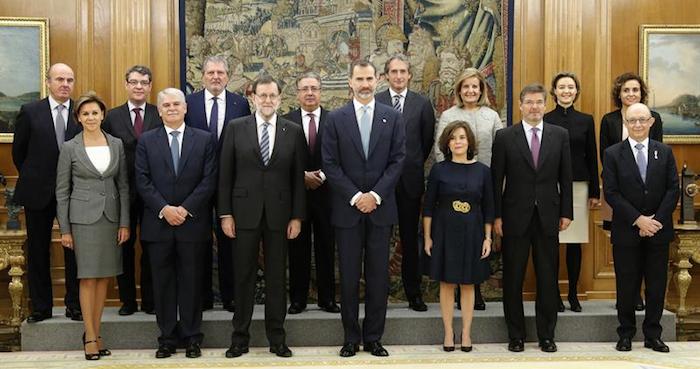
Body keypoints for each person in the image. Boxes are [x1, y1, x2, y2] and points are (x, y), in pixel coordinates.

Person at [218, 75, 306, 359]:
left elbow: (297, 179)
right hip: (243, 214)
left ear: (280, 98)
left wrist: (297, 217)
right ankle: (239, 338)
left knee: (277, 278)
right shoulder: (235, 128)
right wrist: (225, 213)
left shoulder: (292, 131)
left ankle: (277, 339)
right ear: (252, 98)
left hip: (280, 216)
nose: (267, 101)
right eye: (262, 96)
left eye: (272, 96)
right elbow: (225, 175)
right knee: (242, 275)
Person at [322, 60, 406, 358]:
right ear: (350, 82)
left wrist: (376, 196)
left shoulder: (392, 117)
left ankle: (373, 338)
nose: (365, 84)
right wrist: (357, 196)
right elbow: (330, 164)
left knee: (378, 276)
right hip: (348, 211)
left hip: (380, 211)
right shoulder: (335, 118)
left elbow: (398, 161)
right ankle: (350, 338)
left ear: (378, 79)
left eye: (370, 78)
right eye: (360, 79)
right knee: (347, 277)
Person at [135, 88, 217, 359]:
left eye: (176, 104)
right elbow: (142, 181)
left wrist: (184, 209)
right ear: (158, 111)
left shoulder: (204, 140)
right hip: (158, 225)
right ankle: (167, 338)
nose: (171, 108)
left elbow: (209, 180)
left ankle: (193, 337)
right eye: (166, 105)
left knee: (193, 283)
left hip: (192, 224)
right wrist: (164, 209)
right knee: (163, 283)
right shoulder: (146, 141)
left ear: (185, 108)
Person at [491, 84, 573, 353]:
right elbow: (496, 181)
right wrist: (496, 217)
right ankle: (516, 335)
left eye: (539, 102)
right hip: (514, 217)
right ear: (520, 105)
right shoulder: (505, 137)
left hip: (549, 216)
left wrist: (566, 212)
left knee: (548, 278)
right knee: (513, 278)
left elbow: (566, 178)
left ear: (546, 105)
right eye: (529, 102)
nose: (535, 107)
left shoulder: (560, 135)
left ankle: (546, 335)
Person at [55, 93, 130, 360]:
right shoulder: (70, 147)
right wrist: (64, 230)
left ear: (103, 115)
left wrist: (124, 222)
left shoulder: (116, 144)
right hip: (83, 221)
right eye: (85, 113)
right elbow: (62, 191)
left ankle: (97, 334)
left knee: (104, 278)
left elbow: (123, 186)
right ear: (78, 117)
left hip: (110, 220)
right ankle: (88, 337)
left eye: (95, 113)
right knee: (87, 278)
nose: (90, 117)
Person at [602, 103, 679, 353]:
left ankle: (653, 335)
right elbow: (612, 193)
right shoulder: (613, 153)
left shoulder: (664, 152)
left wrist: (655, 221)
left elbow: (672, 189)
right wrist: (638, 219)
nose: (637, 125)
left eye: (642, 120)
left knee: (656, 285)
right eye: (632, 120)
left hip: (658, 230)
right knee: (627, 285)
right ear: (625, 122)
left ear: (651, 122)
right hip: (627, 230)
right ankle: (625, 334)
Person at [12, 63, 83, 323]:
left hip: (75, 194)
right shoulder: (30, 112)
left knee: (74, 252)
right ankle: (41, 308)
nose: (65, 84)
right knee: (38, 251)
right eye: (60, 79)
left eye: (70, 79)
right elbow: (19, 153)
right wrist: (38, 176)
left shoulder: (81, 112)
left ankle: (75, 305)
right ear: (48, 81)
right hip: (38, 193)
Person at [434, 67, 504, 311]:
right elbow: (439, 150)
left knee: (478, 236)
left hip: (483, 184)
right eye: (466, 86)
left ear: (482, 89)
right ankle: (454, 289)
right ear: (459, 90)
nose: (470, 90)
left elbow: (501, 151)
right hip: (452, 186)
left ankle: (474, 288)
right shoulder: (448, 115)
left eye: (475, 86)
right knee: (455, 239)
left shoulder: (492, 116)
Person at [185, 55, 251, 312]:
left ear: (227, 75)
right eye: (210, 72)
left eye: (220, 73)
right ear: (202, 76)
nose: (215, 77)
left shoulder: (240, 104)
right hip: (197, 184)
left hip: (231, 184)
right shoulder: (189, 103)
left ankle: (230, 295)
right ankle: (202, 297)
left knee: (229, 240)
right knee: (198, 241)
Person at [423, 121, 493, 352]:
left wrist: (488, 238)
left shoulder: (483, 171)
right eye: (453, 138)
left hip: (473, 232)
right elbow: (428, 207)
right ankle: (448, 332)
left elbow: (489, 209)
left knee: (467, 283)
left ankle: (466, 333)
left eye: (462, 137)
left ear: (470, 141)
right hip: (444, 231)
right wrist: (427, 237)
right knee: (446, 282)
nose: (458, 142)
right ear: (447, 143)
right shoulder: (439, 170)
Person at [375, 54, 435, 312]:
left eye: (403, 72)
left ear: (410, 75)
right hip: (380, 184)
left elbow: (426, 142)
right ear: (386, 75)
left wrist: (408, 166)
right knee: (379, 240)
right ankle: (379, 294)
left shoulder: (422, 104)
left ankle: (414, 294)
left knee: (410, 240)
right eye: (393, 72)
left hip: (410, 183)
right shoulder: (375, 101)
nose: (398, 76)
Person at [599, 72, 663, 311]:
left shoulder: (653, 117)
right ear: (619, 94)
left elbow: (660, 155)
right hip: (618, 194)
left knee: (647, 250)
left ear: (641, 93)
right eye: (626, 90)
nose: (631, 94)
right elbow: (605, 156)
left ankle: (638, 296)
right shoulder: (609, 120)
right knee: (624, 247)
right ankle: (626, 295)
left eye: (635, 90)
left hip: (649, 199)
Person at [102, 65, 161, 316]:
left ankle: (149, 300)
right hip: (121, 193)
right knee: (124, 247)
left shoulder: (160, 114)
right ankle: (127, 300)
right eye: (134, 82)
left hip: (153, 193)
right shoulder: (112, 117)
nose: (139, 86)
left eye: (144, 82)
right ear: (126, 85)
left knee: (150, 247)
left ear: (150, 87)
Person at [283, 72, 340, 315]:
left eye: (314, 88)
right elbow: (281, 159)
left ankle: (327, 299)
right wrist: (301, 177)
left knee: (327, 247)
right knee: (298, 248)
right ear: (297, 93)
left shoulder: (334, 120)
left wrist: (322, 176)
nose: (309, 93)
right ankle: (298, 299)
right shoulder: (285, 121)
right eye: (304, 88)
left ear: (320, 91)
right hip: (297, 196)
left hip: (328, 195)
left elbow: (341, 154)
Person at [543, 72, 600, 313]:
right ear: (554, 92)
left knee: (574, 243)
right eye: (561, 87)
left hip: (578, 186)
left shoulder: (586, 120)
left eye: (571, 87)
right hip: (550, 185)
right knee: (551, 242)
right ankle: (553, 293)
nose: (566, 91)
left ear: (577, 91)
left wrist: (594, 191)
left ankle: (573, 294)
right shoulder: (545, 119)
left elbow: (591, 155)